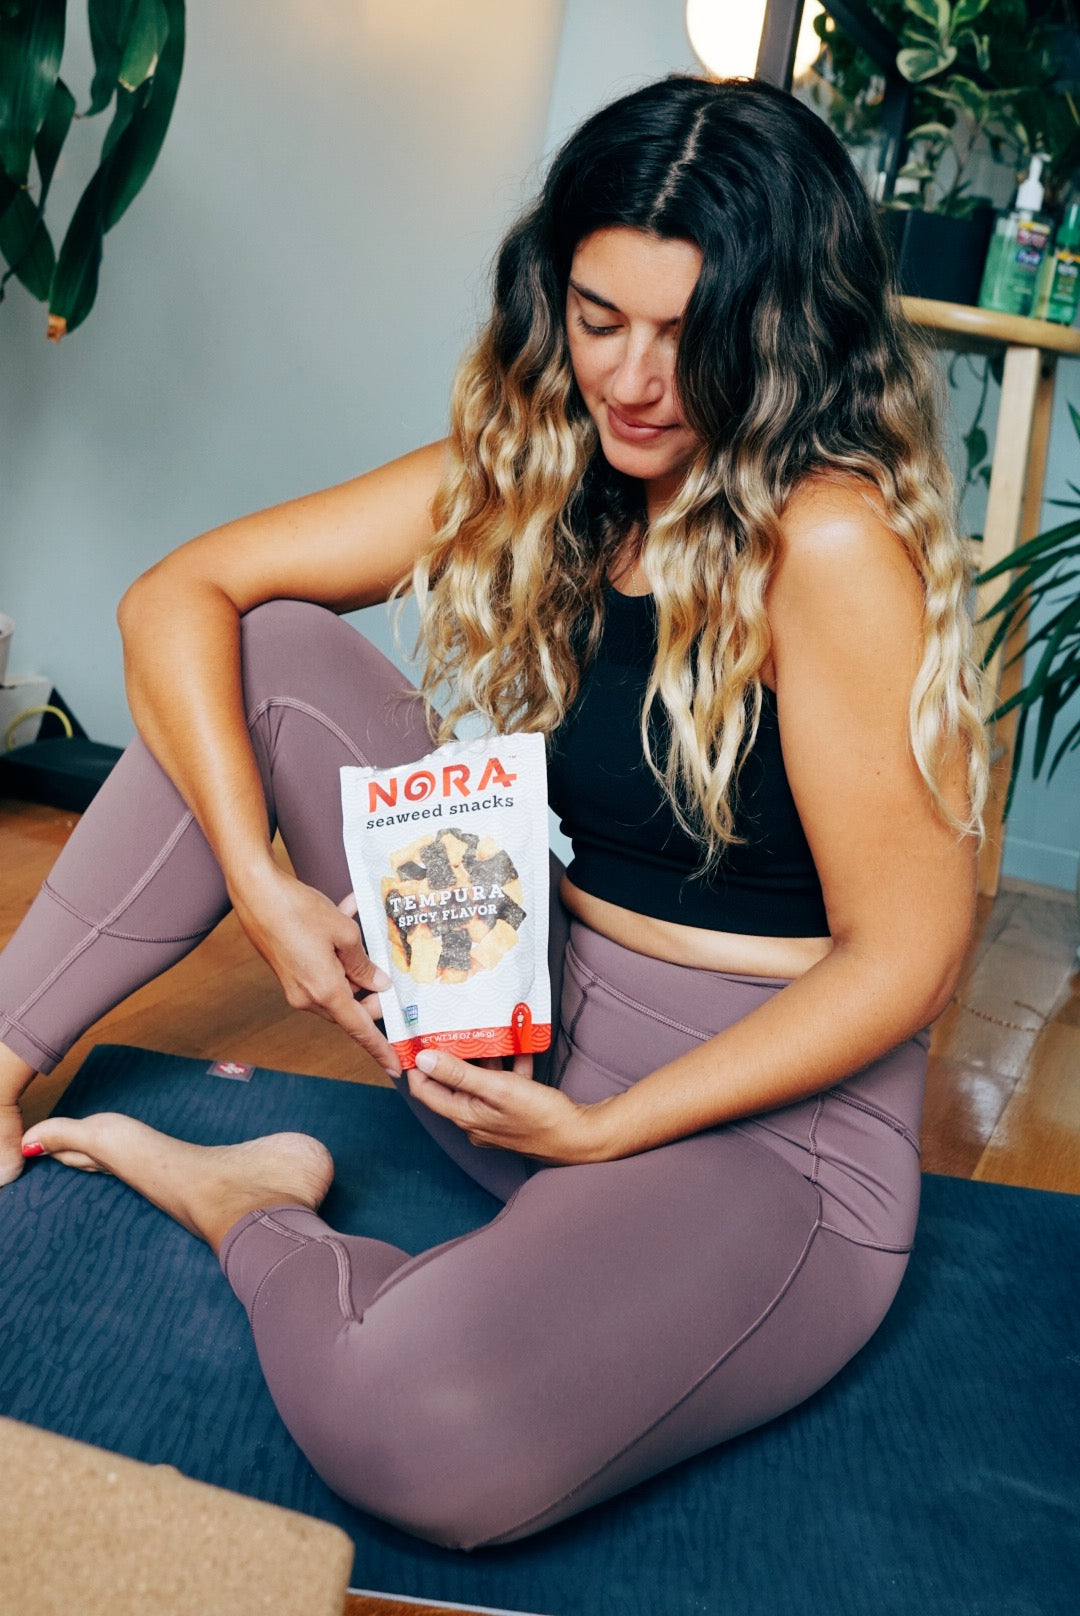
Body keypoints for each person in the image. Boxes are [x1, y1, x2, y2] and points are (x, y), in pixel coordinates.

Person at [0, 76, 988, 1549]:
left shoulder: (831, 539)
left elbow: (910, 958)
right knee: (256, 648)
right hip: (515, 1036)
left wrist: (603, 1133)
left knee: (421, 1433)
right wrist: (268, 888)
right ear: (557, 292)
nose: (636, 380)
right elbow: (178, 598)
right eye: (602, 318)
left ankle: (242, 1197)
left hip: (759, 1141)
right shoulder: (552, 463)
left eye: (690, 329)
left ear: (781, 327)